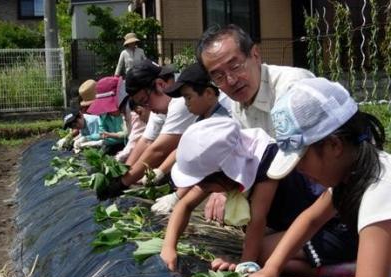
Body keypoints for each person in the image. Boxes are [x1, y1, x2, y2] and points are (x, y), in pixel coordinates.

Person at [241, 77, 390, 277]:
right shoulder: (353, 173)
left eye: (301, 159)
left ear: (333, 145)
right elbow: (311, 218)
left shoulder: (380, 190)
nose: (298, 169)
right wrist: (272, 267)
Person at [160, 117, 357, 277]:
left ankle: (338, 271)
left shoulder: (264, 160)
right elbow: (184, 205)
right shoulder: (226, 162)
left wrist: (244, 266)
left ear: (223, 172)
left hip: (333, 227)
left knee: (261, 254)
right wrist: (169, 248)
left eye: (205, 185)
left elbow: (257, 219)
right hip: (300, 223)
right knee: (264, 252)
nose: (202, 189)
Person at [195, 24, 316, 223]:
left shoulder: (293, 87)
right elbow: (245, 157)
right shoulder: (235, 105)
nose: (231, 80)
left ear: (255, 55)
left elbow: (305, 161)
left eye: (235, 66)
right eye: (218, 76)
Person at [96, 60, 196, 200]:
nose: (147, 108)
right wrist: (124, 171)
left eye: (145, 100)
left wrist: (123, 183)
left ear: (160, 85)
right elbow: (146, 141)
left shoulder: (180, 100)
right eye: (142, 103)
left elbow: (159, 150)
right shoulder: (160, 102)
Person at [150, 62, 231, 214]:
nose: (186, 104)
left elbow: (205, 167)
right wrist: (160, 171)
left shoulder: (219, 123)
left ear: (208, 93)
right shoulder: (203, 117)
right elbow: (182, 148)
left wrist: (177, 197)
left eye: (188, 97)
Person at [87, 76, 128, 155]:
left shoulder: (126, 113)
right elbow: (102, 132)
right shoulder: (103, 116)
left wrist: (111, 135)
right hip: (111, 143)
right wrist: (87, 138)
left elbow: (127, 133)